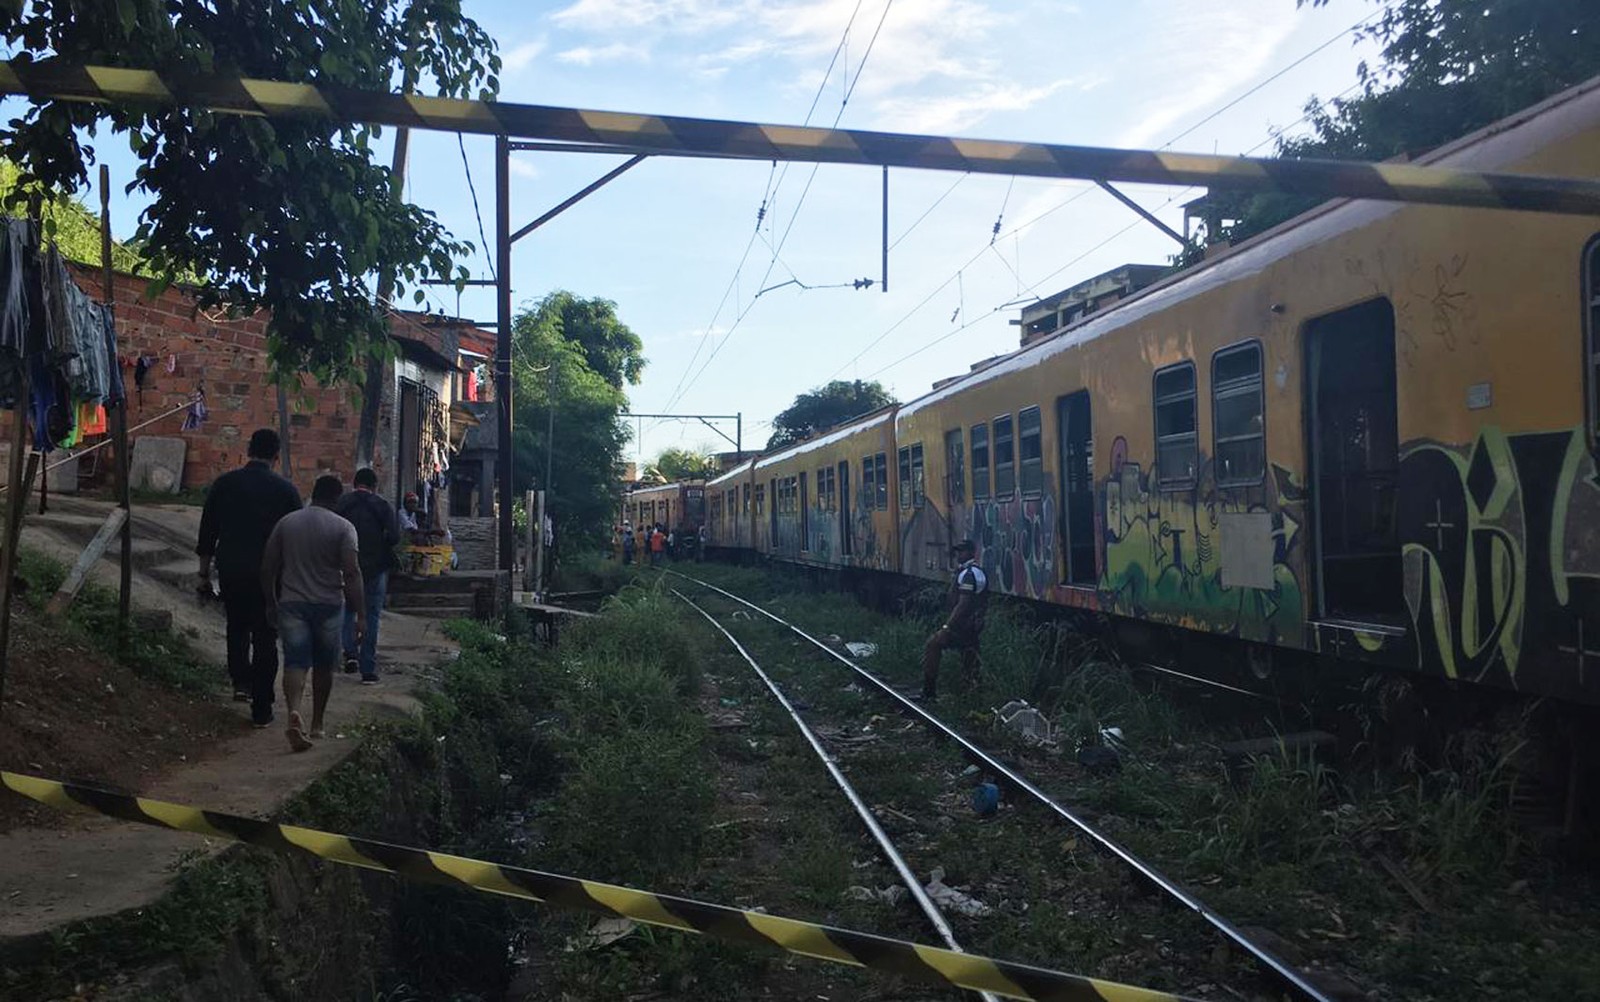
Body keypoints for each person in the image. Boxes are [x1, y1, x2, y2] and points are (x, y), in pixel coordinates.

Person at [196, 428, 303, 728]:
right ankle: (262, 707)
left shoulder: (225, 484)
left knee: (237, 626)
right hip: (270, 576)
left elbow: (208, 532)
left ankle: (241, 682)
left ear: (248, 450)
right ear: (276, 457)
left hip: (231, 569)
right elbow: (294, 538)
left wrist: (204, 574)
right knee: (266, 636)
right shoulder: (286, 491)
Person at [260, 474, 365, 752]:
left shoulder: (288, 522)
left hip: (292, 602)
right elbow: (352, 572)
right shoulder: (344, 527)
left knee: (295, 662)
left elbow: (269, 566)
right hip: (329, 604)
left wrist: (271, 601)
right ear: (336, 498)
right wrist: (361, 614)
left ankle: (294, 711)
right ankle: (317, 723)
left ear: (313, 493)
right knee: (324, 665)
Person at [335, 467, 398, 684]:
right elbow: (394, 537)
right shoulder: (382, 506)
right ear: (374, 486)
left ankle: (350, 654)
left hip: (348, 566)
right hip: (375, 569)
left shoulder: (342, 503)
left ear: (354, 484)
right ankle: (368, 668)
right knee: (371, 615)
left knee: (348, 610)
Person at [920, 539, 989, 701]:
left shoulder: (970, 574)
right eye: (958, 551)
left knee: (933, 644)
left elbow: (963, 604)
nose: (959, 554)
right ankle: (972, 693)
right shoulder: (966, 572)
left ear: (971, 553)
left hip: (963, 626)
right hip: (970, 625)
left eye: (962, 551)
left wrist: (946, 627)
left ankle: (929, 692)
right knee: (970, 658)